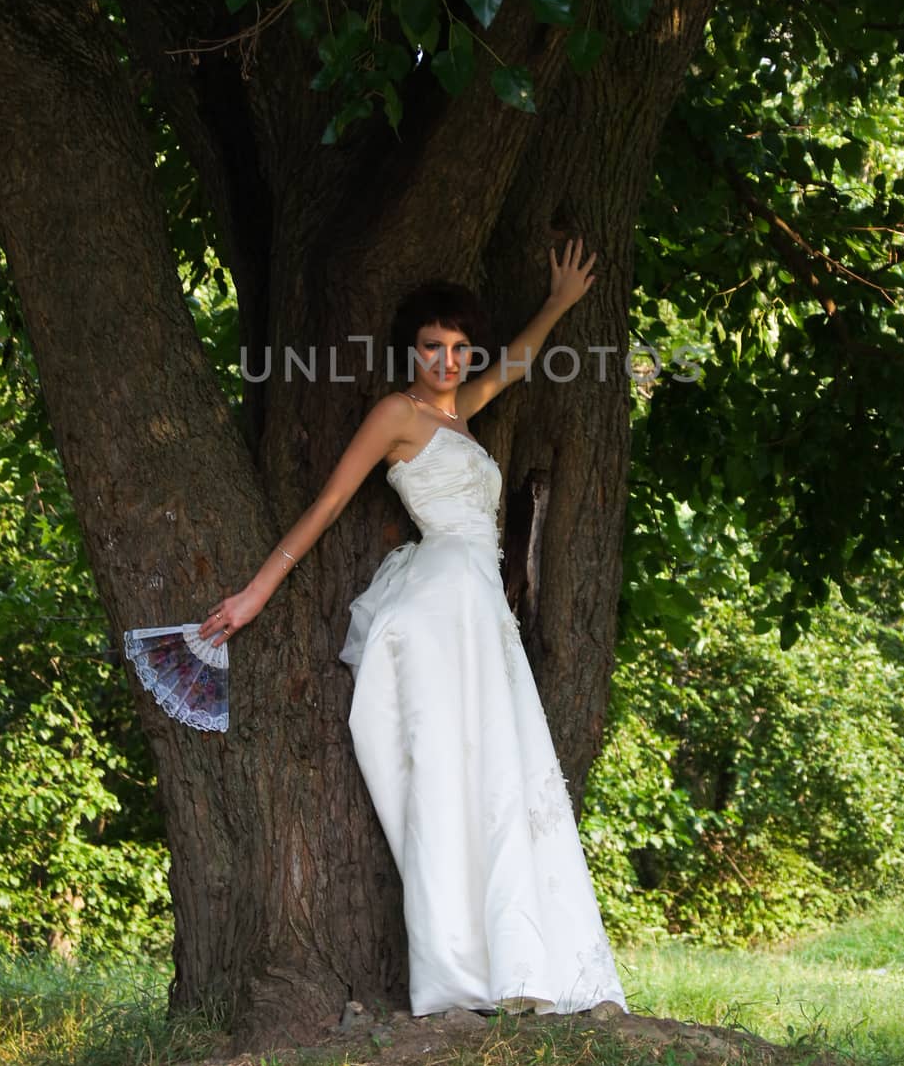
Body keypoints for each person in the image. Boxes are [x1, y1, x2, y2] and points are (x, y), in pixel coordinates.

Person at [200, 239, 627, 1018]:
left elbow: (518, 364)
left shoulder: (457, 411)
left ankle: (525, 962)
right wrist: (256, 592)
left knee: (499, 769)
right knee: (447, 772)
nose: (449, 359)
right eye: (434, 346)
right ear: (411, 350)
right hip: (440, 600)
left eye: (460, 348)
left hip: (476, 602)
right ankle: (459, 973)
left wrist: (561, 301)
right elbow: (328, 504)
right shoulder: (396, 414)